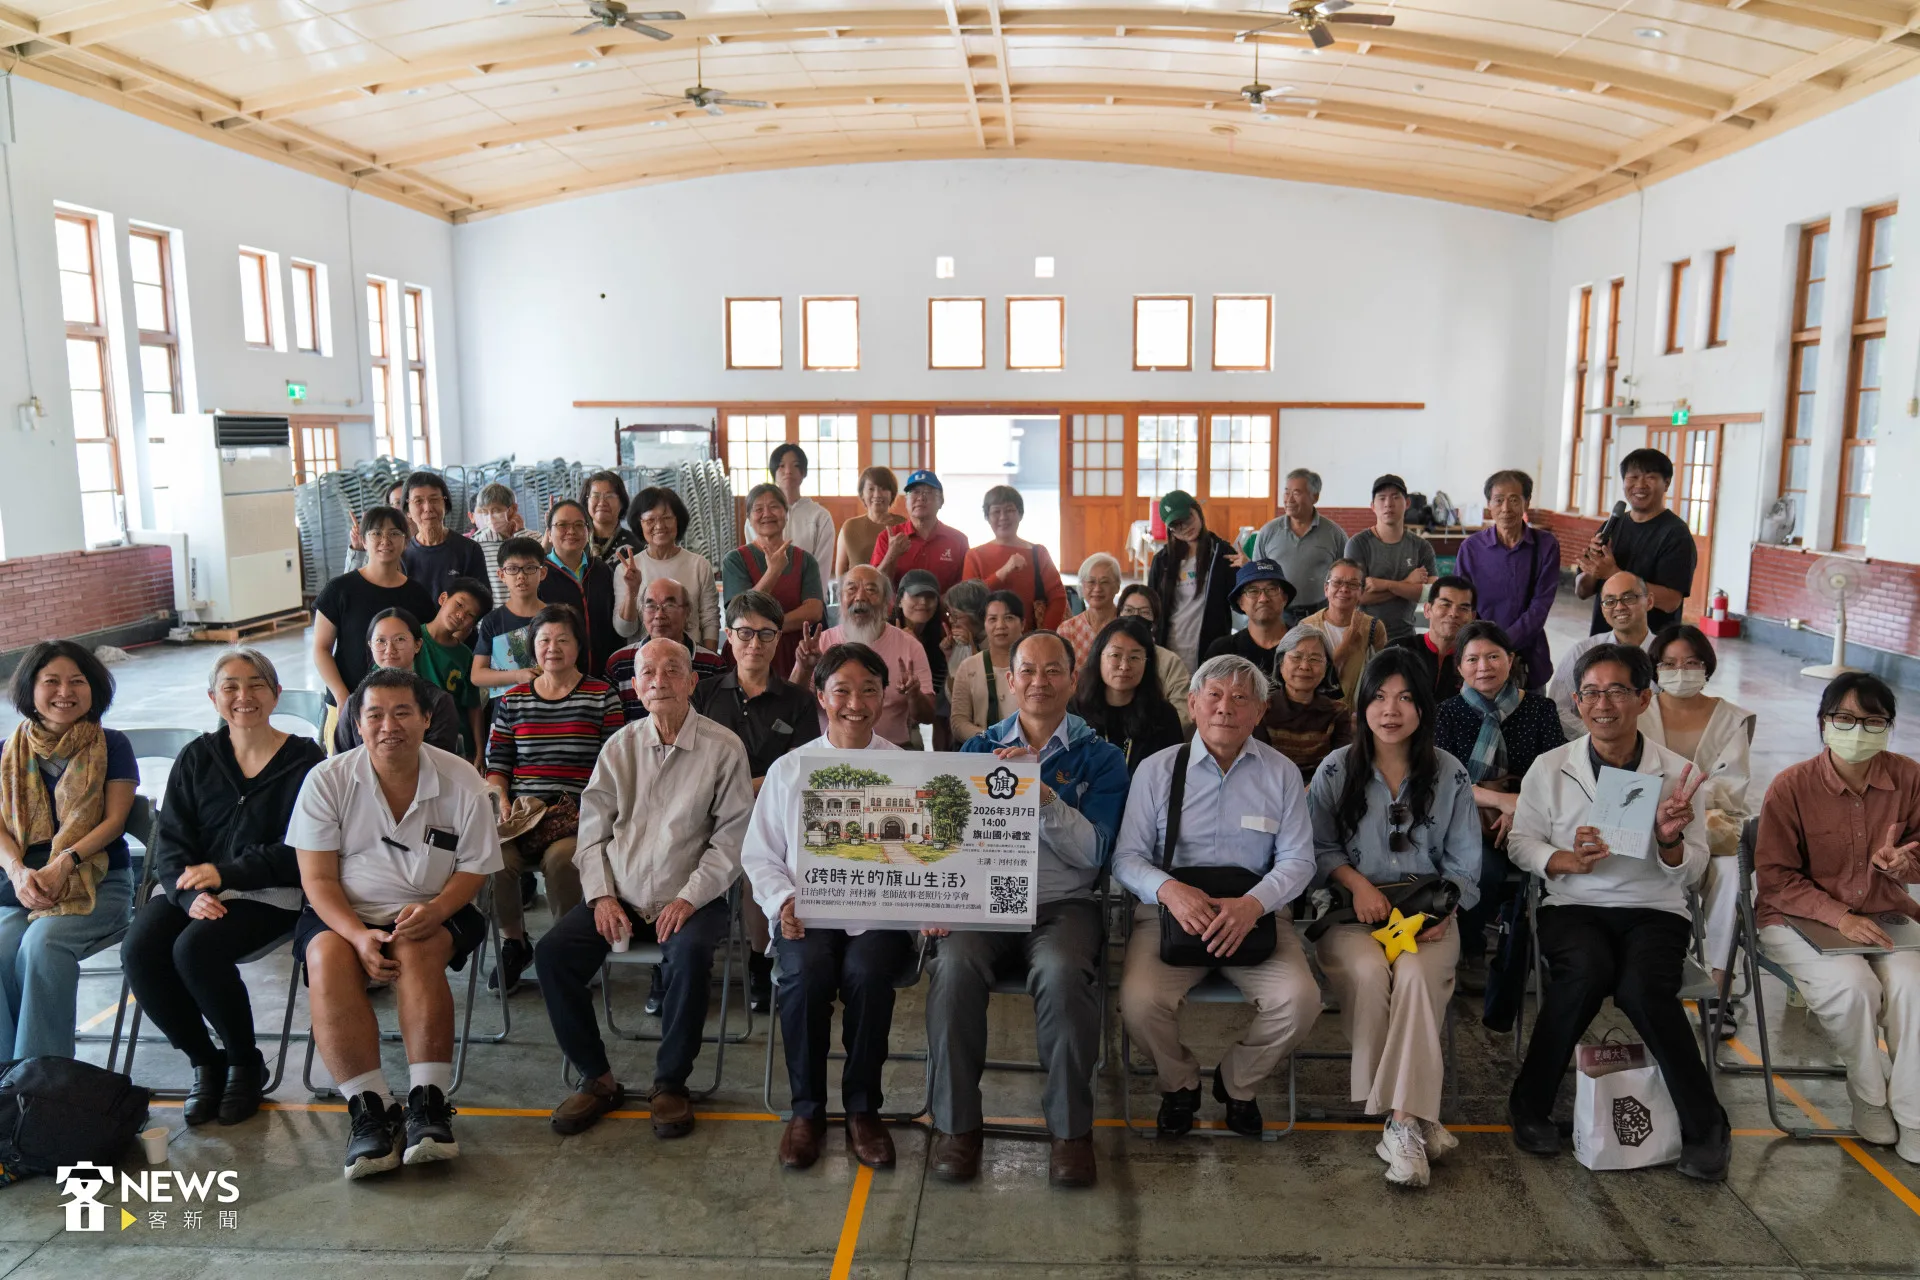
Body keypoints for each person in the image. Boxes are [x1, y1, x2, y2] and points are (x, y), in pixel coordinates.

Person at [1507, 643, 1729, 1181]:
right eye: (1590, 692)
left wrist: (1670, 843)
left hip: (1654, 908)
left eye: (1617, 691)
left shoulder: (1678, 775)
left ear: (1643, 698)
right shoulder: (1551, 767)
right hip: (1575, 904)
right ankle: (1529, 1106)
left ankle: (1707, 1128)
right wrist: (1562, 858)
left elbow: (1694, 867)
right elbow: (1520, 843)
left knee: (1642, 989)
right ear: (1577, 702)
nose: (1602, 703)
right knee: (1584, 974)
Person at [929, 631, 1129, 1188]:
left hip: (1063, 902)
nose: (1039, 681)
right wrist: (936, 896)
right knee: (950, 969)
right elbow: (945, 841)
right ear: (1010, 681)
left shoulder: (1102, 758)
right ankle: (956, 1127)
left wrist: (1041, 795)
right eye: (1028, 672)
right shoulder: (974, 753)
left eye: (1053, 670)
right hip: (984, 900)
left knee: (1064, 974)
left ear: (1072, 678)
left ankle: (1070, 1134)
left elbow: (1096, 853)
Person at [288, 669, 502, 1180]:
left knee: (418, 950)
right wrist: (359, 934)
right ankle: (371, 1109)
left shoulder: (462, 782)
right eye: (375, 715)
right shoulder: (328, 780)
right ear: (356, 724)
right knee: (326, 958)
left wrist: (437, 910)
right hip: (343, 910)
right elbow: (317, 879)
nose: (390, 725)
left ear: (427, 719)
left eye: (403, 712)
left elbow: (475, 868)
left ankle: (428, 1103)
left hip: (436, 904)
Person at [536, 639, 752, 1141]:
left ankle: (671, 1082)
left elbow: (732, 839)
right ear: (634, 686)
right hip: (623, 893)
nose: (659, 680)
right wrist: (602, 896)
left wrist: (690, 897)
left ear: (692, 681)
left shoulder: (723, 748)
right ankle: (598, 1077)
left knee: (691, 954)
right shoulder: (620, 746)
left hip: (691, 897)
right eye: (647, 672)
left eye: (672, 670)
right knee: (552, 955)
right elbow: (591, 833)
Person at [1115, 655, 1322, 1139]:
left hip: (1257, 918)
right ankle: (1180, 1083)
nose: (1225, 708)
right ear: (1192, 704)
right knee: (1139, 1000)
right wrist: (1170, 891)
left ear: (1259, 711)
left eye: (1240, 697)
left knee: (1300, 1000)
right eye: (1213, 695)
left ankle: (1238, 1083)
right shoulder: (1158, 770)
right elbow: (1126, 859)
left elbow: (1300, 861)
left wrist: (1253, 904)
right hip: (1171, 918)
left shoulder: (1282, 774)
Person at [123, 649, 325, 1126]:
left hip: (270, 890)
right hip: (193, 888)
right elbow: (169, 843)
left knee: (197, 951)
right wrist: (190, 894)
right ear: (214, 698)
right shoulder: (197, 756)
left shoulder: (306, 760)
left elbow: (304, 849)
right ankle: (204, 1061)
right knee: (140, 950)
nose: (243, 696)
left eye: (256, 684)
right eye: (230, 686)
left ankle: (242, 1061)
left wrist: (226, 875)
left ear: (276, 694)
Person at [1309, 647, 1481, 1187]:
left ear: (1424, 709)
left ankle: (1402, 1123)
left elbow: (1465, 864)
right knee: (1368, 971)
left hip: (1428, 916)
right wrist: (1357, 885)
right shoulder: (1336, 769)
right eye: (1379, 697)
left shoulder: (1450, 773)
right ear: (1362, 707)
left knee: (1414, 974)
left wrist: (1445, 908)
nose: (1391, 709)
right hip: (1351, 915)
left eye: (1406, 697)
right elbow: (1314, 849)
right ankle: (1417, 1115)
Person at [742, 643, 917, 1171]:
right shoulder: (791, 769)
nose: (855, 702)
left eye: (869, 689)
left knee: (867, 975)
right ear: (821, 696)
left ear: (884, 696)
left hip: (879, 918)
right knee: (806, 976)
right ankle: (808, 1112)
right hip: (808, 916)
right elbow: (760, 854)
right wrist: (782, 900)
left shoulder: (909, 769)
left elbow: (926, 855)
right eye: (841, 690)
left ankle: (863, 1109)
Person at [1755, 672, 1920, 1161]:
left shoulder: (1910, 779)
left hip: (1883, 914)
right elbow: (1775, 878)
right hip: (1794, 918)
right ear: (1823, 723)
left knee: (1914, 986)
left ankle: (1912, 1114)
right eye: (1844, 718)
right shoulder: (1791, 787)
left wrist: (1907, 863)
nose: (1857, 730)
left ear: (1889, 726)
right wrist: (1837, 915)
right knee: (1854, 987)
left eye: (1872, 720)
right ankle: (1869, 1095)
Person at [0, 641, 137, 1060]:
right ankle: (6, 1074)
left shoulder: (111, 745)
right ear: (30, 689)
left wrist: (65, 862)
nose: (65, 691)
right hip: (21, 887)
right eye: (52, 681)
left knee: (42, 945)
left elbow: (114, 822)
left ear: (94, 688)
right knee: (2, 946)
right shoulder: (7, 751)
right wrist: (18, 871)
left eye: (77, 681)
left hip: (97, 883)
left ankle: (42, 1080)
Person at [484, 604, 623, 994]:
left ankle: (570, 947)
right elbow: (499, 767)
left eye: (563, 639)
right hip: (524, 814)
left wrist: (593, 810)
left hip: (579, 812)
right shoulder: (512, 700)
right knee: (493, 859)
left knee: (563, 860)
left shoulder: (602, 697)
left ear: (579, 645)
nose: (553, 648)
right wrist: (500, 796)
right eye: (544, 640)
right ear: (533, 647)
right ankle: (515, 943)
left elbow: (615, 766)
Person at [695, 590, 824, 1010]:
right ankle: (672, 962)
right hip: (704, 810)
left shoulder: (800, 701)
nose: (754, 643)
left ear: (777, 640)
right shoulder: (704, 694)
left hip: (769, 814)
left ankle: (757, 957)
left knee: (759, 853)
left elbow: (800, 768)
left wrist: (748, 789)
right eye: (745, 633)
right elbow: (690, 764)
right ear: (729, 637)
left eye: (765, 634)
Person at [1431, 621, 1565, 995]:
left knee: (1550, 870)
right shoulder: (1447, 713)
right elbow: (1447, 782)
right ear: (1459, 667)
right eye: (1472, 659)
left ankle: (1525, 949)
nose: (1483, 667)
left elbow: (1555, 775)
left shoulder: (1541, 709)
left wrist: (1518, 810)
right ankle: (1470, 947)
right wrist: (1502, 801)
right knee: (1481, 871)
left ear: (1511, 660)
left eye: (1493, 656)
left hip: (1534, 818)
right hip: (1466, 820)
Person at [1642, 625, 1753, 998]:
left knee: (1733, 876)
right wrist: (1675, 800)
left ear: (1707, 666)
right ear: (1655, 668)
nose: (1680, 670)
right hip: (1647, 828)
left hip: (1710, 830)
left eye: (1691, 662)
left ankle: (1720, 984)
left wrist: (1676, 797)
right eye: (1669, 663)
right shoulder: (1638, 712)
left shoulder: (1731, 718)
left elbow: (1732, 788)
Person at [311, 504, 437, 715]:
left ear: (406, 541)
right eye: (376, 533)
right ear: (363, 540)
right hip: (347, 705)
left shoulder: (418, 594)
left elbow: (425, 650)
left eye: (394, 533)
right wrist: (343, 697)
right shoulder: (339, 589)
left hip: (401, 708)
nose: (385, 541)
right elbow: (321, 649)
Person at [791, 566, 934, 748]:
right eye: (851, 589)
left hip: (893, 751)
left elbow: (927, 717)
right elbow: (792, 707)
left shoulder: (910, 646)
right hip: (830, 752)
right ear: (840, 598)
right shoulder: (821, 642)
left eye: (871, 590)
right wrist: (805, 668)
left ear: (886, 601)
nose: (860, 597)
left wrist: (914, 694)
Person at [1454, 470, 1559, 691]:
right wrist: (1487, 647)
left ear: (1527, 502)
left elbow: (1540, 605)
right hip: (1481, 659)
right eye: (1498, 500)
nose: (1505, 508)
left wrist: (1502, 645)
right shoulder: (1471, 548)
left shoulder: (1546, 545)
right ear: (1488, 504)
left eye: (1514, 500)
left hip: (1528, 659)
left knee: (1530, 722)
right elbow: (1462, 603)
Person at [1577, 448, 1696, 635]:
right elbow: (1582, 591)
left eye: (1650, 477)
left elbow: (1671, 602)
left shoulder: (1676, 534)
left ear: (1666, 484)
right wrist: (1593, 570)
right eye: (1632, 477)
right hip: (1605, 637)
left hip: (1648, 644)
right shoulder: (1611, 527)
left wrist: (1613, 573)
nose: (1640, 485)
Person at [722, 482, 826, 679]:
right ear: (749, 519)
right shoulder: (735, 559)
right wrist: (774, 572)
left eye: (774, 507)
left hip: (795, 653)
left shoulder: (805, 560)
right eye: (758, 509)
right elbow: (741, 612)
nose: (767, 514)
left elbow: (814, 610)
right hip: (747, 652)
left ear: (786, 513)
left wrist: (766, 630)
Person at [332, 610, 462, 755]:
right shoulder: (355, 701)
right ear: (370, 645)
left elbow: (440, 762)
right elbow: (341, 761)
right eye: (381, 641)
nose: (389, 650)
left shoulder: (438, 702)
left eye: (399, 639)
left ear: (418, 645)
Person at [1068, 617, 1184, 776]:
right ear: (1098, 656)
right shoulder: (1075, 712)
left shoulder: (1163, 715)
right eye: (1115, 655)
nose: (1124, 666)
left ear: (1147, 663)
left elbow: (1174, 774)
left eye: (1135, 657)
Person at [1548, 569, 1655, 738]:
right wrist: (1600, 735)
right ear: (1602, 609)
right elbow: (1557, 709)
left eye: (1628, 598)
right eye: (1610, 601)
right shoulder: (1582, 652)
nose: (1619, 607)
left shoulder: (1668, 655)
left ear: (1649, 601)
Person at [608, 577, 731, 721]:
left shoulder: (712, 665)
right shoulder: (619, 663)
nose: (659, 615)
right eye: (651, 606)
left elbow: (717, 722)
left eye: (669, 606)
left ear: (687, 611)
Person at [616, 486, 720, 653]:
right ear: (639, 524)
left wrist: (711, 664)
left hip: (691, 661)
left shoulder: (699, 565)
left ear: (678, 520)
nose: (659, 526)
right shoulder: (626, 568)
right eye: (650, 520)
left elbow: (710, 621)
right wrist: (632, 591)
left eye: (667, 518)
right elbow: (625, 630)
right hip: (644, 663)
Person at [1147, 490, 1240, 674]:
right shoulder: (1163, 560)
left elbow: (1240, 604)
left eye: (1188, 518)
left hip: (1210, 648)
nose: (1185, 528)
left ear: (1197, 511)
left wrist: (1246, 571)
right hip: (1170, 647)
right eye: (1177, 526)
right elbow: (1151, 606)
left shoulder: (1221, 553)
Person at [1346, 474, 1437, 644]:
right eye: (1382, 498)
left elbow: (1430, 593)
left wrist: (1385, 585)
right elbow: (1358, 596)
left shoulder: (1421, 547)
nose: (1388, 504)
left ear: (1407, 503)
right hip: (1364, 638)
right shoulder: (1358, 544)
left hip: (1405, 637)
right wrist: (1408, 583)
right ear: (1373, 506)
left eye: (1396, 497)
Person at [961, 484, 1067, 629]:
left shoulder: (1038, 552)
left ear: (1020, 514)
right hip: (986, 640)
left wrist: (1044, 634)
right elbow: (969, 601)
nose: (1003, 517)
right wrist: (1003, 571)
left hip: (1030, 638)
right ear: (987, 517)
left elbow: (1058, 598)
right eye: (996, 511)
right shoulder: (974, 555)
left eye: (1010, 510)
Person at [1255, 468, 1349, 626]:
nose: (1289, 499)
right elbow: (1258, 574)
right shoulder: (1268, 532)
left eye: (1297, 493)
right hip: (1278, 615)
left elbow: (1346, 576)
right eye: (1286, 492)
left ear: (1315, 497)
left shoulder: (1334, 533)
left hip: (1322, 615)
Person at [538, 499, 618, 679]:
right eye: (562, 525)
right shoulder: (538, 573)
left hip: (602, 677)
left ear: (587, 531)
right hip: (556, 678)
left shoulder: (601, 570)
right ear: (549, 534)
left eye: (578, 525)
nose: (571, 531)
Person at [1263, 624, 1353, 777]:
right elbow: (1259, 766)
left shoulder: (1337, 713)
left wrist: (1310, 791)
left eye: (1315, 659)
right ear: (1281, 662)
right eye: (1296, 657)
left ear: (1326, 668)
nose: (1305, 666)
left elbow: (1340, 766)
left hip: (1321, 793)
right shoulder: (1262, 709)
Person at [417, 576, 490, 760]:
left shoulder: (465, 656)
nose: (461, 615)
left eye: (470, 615)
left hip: (455, 745)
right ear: (443, 598)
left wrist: (480, 750)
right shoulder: (411, 639)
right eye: (459, 605)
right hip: (417, 739)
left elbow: (473, 707)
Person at [1298, 559, 1387, 705]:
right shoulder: (1307, 626)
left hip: (1358, 715)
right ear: (1326, 589)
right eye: (1337, 582)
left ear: (1361, 592)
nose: (1344, 589)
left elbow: (1381, 678)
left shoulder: (1373, 627)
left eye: (1352, 584)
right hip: (1316, 713)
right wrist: (1348, 642)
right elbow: (1308, 676)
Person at [746, 443, 837, 577]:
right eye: (781, 466)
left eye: (795, 465)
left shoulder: (820, 516)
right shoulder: (756, 518)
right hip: (764, 591)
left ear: (804, 472)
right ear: (773, 472)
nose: (788, 471)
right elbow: (752, 560)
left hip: (807, 593)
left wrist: (815, 595)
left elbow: (822, 566)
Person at [1116, 584, 1195, 734]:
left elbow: (1183, 714)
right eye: (1129, 610)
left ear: (1155, 621)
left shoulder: (1170, 662)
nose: (1136, 617)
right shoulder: (1105, 655)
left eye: (1144, 612)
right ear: (1118, 615)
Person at [872, 469, 969, 593]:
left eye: (928, 492)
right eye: (914, 492)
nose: (920, 498)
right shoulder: (887, 537)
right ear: (906, 501)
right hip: (897, 611)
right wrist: (892, 555)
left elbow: (964, 587)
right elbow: (875, 586)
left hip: (944, 611)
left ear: (941, 501)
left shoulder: (959, 540)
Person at [949, 589, 1024, 744]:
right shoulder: (969, 667)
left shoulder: (1036, 666)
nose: (1000, 625)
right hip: (982, 753)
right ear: (985, 624)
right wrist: (990, 738)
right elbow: (958, 721)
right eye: (992, 619)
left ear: (1023, 623)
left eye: (1009, 618)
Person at [1202, 559, 1296, 683]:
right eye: (1253, 591)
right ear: (1240, 602)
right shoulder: (1222, 651)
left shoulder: (1304, 645)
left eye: (1272, 589)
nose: (1263, 598)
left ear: (1284, 598)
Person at [400, 471, 489, 600]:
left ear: (445, 505)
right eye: (418, 501)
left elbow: (480, 600)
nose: (428, 508)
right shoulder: (402, 555)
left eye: (434, 499)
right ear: (408, 510)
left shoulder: (469, 550)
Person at [1389, 574, 1474, 703]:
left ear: (1472, 616)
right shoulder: (1397, 650)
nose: (1453, 614)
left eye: (1463, 608)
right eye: (1445, 605)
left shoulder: (1477, 661)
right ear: (1428, 610)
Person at [891, 570, 952, 750]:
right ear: (900, 599)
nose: (924, 602)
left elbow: (938, 698)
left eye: (930, 597)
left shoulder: (941, 638)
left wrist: (950, 659)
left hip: (922, 717)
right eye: (917, 595)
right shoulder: (884, 632)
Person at [1057, 553, 1122, 671]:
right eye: (1091, 582)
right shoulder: (1067, 630)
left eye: (1105, 582)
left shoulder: (1127, 626)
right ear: (1082, 586)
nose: (1097, 588)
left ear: (1117, 586)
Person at [835, 466, 899, 577]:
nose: (877, 494)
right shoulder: (849, 527)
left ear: (892, 493)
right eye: (871, 489)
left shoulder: (903, 525)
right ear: (862, 494)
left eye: (883, 488)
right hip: (857, 593)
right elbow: (840, 575)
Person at [343, 480, 410, 574]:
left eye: (406, 502)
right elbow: (349, 584)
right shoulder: (376, 542)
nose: (403, 508)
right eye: (397, 502)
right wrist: (358, 549)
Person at [581, 470, 638, 563]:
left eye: (609, 496)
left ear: (622, 502)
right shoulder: (575, 540)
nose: (602, 502)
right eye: (596, 495)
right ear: (586, 501)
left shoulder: (635, 545)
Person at [469, 482, 522, 583]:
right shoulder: (477, 543)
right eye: (485, 512)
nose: (490, 517)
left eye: (496, 510)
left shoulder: (530, 537)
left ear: (512, 509)